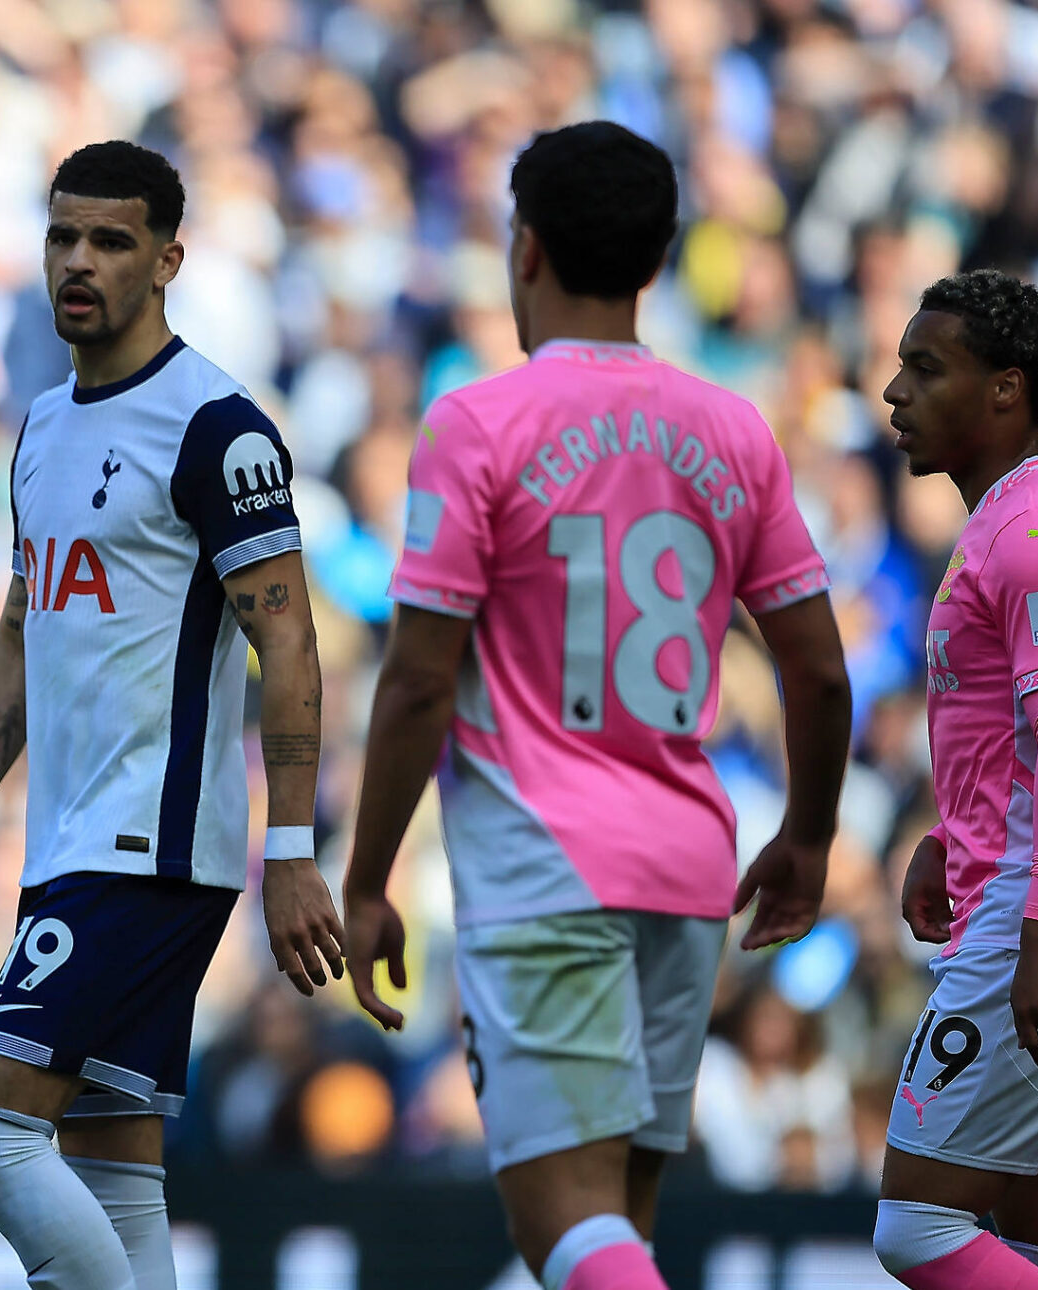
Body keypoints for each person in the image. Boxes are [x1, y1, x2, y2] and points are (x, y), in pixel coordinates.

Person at [340, 121, 848, 1290]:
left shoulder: (474, 423)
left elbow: (419, 676)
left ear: (523, 249)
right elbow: (817, 670)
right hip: (686, 867)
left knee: (558, 1222)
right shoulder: (733, 427)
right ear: (658, 258)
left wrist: (366, 878)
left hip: (542, 864)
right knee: (620, 1225)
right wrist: (809, 835)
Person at [0, 139, 341, 1290]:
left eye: (110, 240)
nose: (79, 262)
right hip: (68, 844)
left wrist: (293, 848)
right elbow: (18, 638)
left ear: (167, 259)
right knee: (113, 1164)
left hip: (147, 849)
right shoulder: (44, 425)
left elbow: (289, 641)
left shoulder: (216, 427)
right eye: (62, 236)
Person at [874, 269, 1038, 1289]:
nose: (894, 392)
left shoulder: (1034, 535)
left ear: (1006, 390)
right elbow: (1019, 737)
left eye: (925, 368)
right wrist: (950, 833)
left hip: (1030, 923)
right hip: (1018, 892)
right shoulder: (1002, 523)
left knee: (918, 1227)